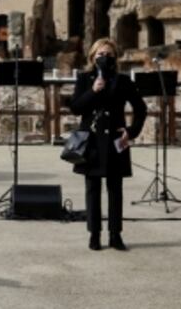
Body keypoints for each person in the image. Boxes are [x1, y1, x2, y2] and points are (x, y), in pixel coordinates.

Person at [66, 38, 147, 251]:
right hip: (91, 141)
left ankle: (115, 234)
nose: (105, 58)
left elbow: (141, 108)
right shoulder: (84, 79)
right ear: (92, 58)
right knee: (92, 189)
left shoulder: (122, 80)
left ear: (115, 58)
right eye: (100, 54)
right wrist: (93, 90)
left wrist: (130, 132)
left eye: (109, 54)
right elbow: (75, 108)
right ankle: (94, 234)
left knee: (115, 189)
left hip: (114, 141)